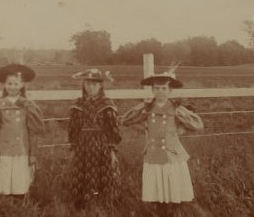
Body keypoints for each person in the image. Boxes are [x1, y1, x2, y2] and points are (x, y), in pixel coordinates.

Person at [122, 69, 203, 204]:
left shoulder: (175, 108)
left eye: (164, 88)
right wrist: (145, 129)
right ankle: (159, 210)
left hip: (172, 153)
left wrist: (180, 129)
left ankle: (175, 211)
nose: (160, 91)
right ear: (153, 90)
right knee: (156, 189)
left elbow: (197, 124)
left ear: (170, 91)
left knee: (173, 186)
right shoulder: (147, 107)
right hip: (153, 152)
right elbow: (126, 120)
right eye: (157, 88)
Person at [0, 64, 45, 196]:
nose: (12, 87)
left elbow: (33, 132)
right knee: (0, 185)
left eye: (16, 84)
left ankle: (18, 200)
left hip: (21, 151)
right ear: (4, 85)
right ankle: (2, 204)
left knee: (19, 185)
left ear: (21, 85)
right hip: (4, 152)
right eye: (9, 83)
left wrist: (32, 154)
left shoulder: (28, 106)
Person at [67, 68, 121, 206]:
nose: (91, 87)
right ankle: (83, 204)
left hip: (101, 144)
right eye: (88, 84)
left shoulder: (107, 104)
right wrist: (73, 147)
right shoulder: (78, 104)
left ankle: (103, 204)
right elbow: (73, 128)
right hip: (82, 144)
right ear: (84, 85)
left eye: (94, 84)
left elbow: (113, 129)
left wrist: (112, 149)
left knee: (102, 172)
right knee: (81, 171)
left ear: (101, 85)